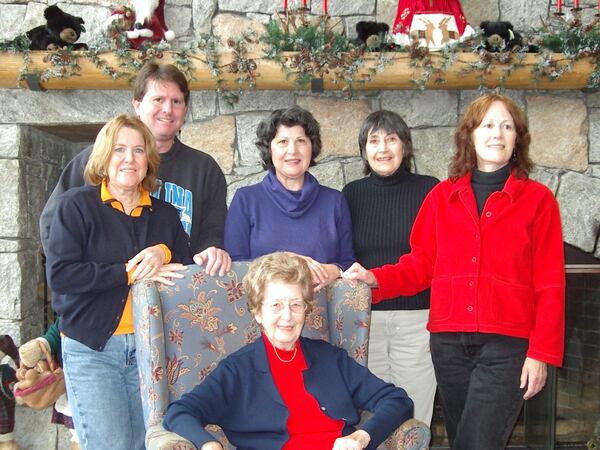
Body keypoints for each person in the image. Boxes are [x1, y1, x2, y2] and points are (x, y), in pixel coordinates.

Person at [343, 94, 565, 450]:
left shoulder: (538, 201)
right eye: (488, 125)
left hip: (506, 346)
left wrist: (541, 353)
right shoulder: (441, 196)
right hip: (448, 345)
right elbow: (420, 265)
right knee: (463, 436)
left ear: (517, 138)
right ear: (470, 136)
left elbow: (550, 284)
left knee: (477, 442)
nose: (498, 134)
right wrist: (376, 279)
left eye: (507, 126)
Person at [45, 115, 193, 450]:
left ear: (149, 160)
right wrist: (128, 272)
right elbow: (62, 274)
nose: (130, 159)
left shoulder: (165, 214)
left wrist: (164, 251)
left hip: (149, 348)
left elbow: (187, 273)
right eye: (120, 149)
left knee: (147, 443)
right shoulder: (76, 205)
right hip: (92, 348)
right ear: (104, 157)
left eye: (139, 150)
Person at [164, 252, 413, 450]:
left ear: (306, 309)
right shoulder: (237, 370)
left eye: (296, 305)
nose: (287, 316)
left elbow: (397, 401)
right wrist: (209, 444)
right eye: (276, 305)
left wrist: (361, 437)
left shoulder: (330, 358)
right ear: (258, 312)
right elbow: (179, 412)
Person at [39, 62, 230, 276]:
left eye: (176, 101)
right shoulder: (96, 159)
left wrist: (210, 254)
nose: (168, 109)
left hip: (174, 293)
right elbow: (52, 225)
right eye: (158, 99)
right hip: (103, 296)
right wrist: (76, 291)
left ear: (185, 110)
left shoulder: (204, 169)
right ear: (137, 105)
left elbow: (213, 232)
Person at [342, 110, 438, 426]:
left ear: (405, 146)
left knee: (415, 415)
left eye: (391, 139)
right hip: (365, 320)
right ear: (364, 150)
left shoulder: (430, 190)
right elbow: (344, 255)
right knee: (372, 416)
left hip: (417, 320)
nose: (383, 148)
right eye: (374, 140)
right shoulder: (351, 194)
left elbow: (430, 260)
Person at [224, 106, 355, 290]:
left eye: (301, 141)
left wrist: (334, 271)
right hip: (263, 313)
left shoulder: (335, 202)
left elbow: (348, 262)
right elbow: (235, 267)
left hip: (322, 308)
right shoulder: (246, 200)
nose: (292, 150)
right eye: (283, 141)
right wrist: (287, 262)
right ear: (269, 149)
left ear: (312, 147)